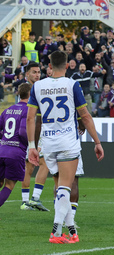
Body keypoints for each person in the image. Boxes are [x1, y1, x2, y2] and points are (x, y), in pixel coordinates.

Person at [27, 51, 104, 244]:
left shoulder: (38, 86)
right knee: (65, 188)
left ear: (49, 66)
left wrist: (31, 146)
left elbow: (31, 118)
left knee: (61, 189)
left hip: (47, 142)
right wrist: (97, 142)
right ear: (68, 66)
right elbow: (85, 116)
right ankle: (55, 232)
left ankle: (72, 232)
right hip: (67, 142)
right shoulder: (72, 84)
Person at [20, 62, 50, 212]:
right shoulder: (29, 90)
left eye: (39, 72)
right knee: (43, 164)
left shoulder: (38, 87)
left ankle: (27, 201)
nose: (37, 75)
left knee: (30, 166)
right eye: (34, 72)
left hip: (37, 129)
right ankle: (33, 199)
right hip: (33, 131)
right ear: (27, 74)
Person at [0, 83, 32, 209]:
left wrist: (5, 138)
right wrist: (31, 143)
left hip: (2, 149)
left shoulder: (8, 109)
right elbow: (23, 132)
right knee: (9, 185)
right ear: (30, 94)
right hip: (15, 152)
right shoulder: (27, 110)